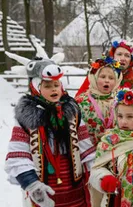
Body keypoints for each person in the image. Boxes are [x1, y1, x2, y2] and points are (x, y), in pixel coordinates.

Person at [5, 56, 95, 207]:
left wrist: (98, 175)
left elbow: (86, 150)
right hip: (43, 189)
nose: (54, 89)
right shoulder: (26, 118)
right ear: (36, 88)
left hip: (74, 190)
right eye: (47, 86)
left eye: (56, 84)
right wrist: (33, 186)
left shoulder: (72, 113)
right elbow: (18, 155)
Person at [75, 56, 123, 145]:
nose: (107, 81)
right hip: (89, 153)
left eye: (111, 78)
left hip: (115, 151)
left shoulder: (121, 101)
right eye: (103, 77)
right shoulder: (81, 102)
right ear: (94, 78)